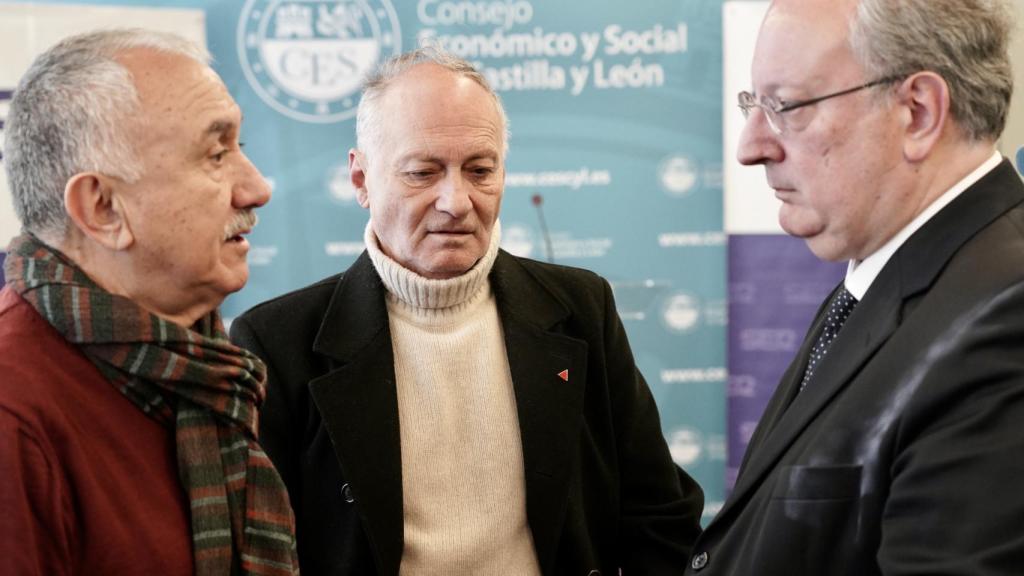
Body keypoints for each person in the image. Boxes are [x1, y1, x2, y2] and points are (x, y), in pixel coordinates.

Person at [230, 46, 704, 575]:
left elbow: (660, 515)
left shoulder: (581, 310)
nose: (456, 201)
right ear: (361, 180)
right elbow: (263, 557)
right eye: (422, 173)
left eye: (479, 170)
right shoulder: (277, 342)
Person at [686, 0, 1024, 574]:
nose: (750, 147)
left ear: (917, 112)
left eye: (785, 107)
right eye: (753, 105)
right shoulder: (891, 274)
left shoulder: (1003, 316)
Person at [0, 29, 299, 575]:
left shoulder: (204, 366)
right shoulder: (14, 414)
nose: (256, 188)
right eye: (215, 154)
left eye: (241, 149)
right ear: (103, 208)